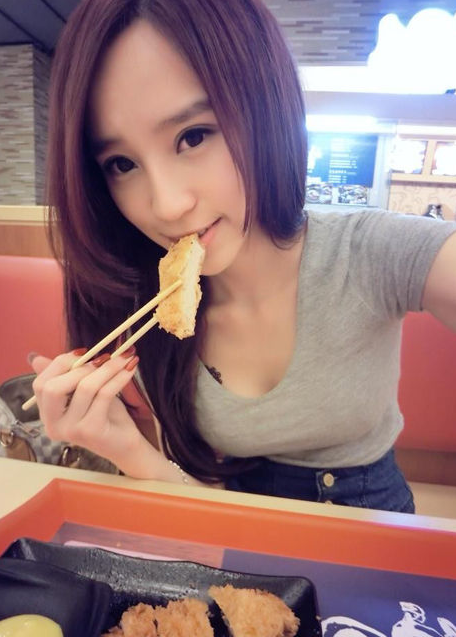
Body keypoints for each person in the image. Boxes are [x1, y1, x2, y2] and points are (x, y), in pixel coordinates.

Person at [31, 0, 456, 513]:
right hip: (236, 531)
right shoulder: (142, 308)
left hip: (376, 529)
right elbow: (209, 513)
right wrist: (125, 447)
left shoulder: (369, 252)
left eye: (192, 136)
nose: (167, 206)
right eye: (122, 164)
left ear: (263, 109)